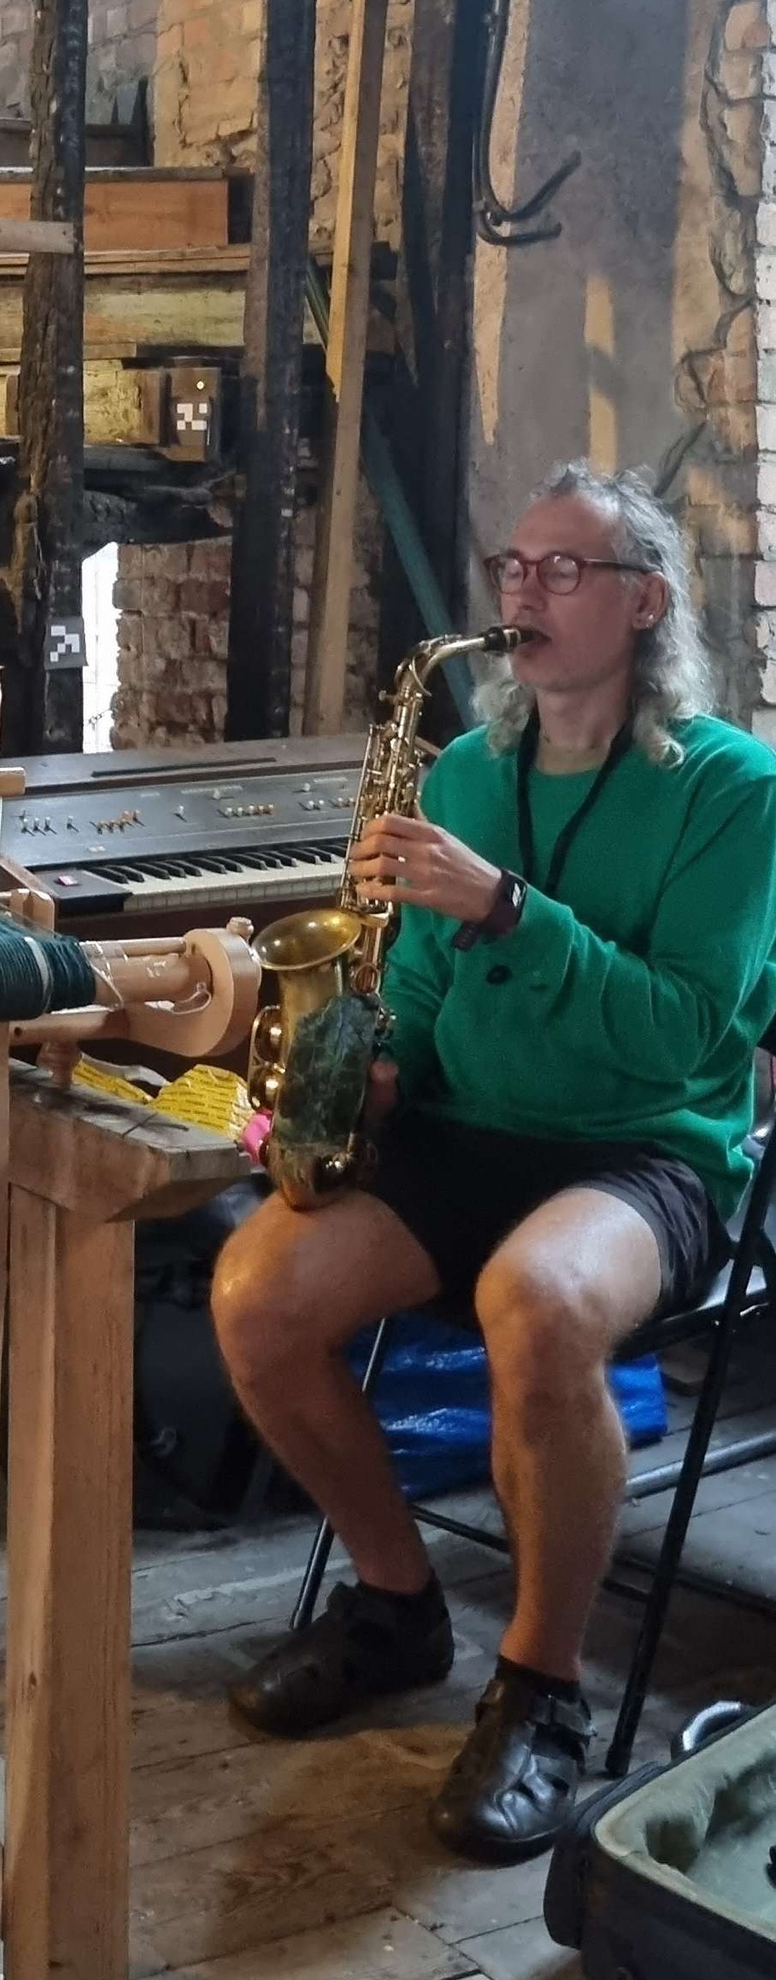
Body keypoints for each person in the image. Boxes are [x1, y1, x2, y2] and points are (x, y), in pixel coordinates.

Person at [211, 461, 776, 1865]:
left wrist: (514, 909)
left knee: (538, 1299)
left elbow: (686, 1034)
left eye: (562, 569)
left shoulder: (734, 788)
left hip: (648, 1148)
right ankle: (399, 1604)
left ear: (645, 604)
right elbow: (425, 990)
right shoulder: (466, 769)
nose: (524, 591)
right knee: (253, 1295)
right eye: (513, 567)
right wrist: (375, 1065)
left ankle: (541, 1688)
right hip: (468, 1129)